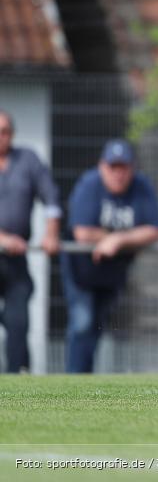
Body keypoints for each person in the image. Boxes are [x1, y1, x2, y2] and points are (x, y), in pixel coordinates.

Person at [62, 139, 158, 373]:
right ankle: (74, 378)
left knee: (96, 326)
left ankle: (84, 377)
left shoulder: (142, 186)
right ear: (101, 166)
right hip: (81, 270)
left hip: (111, 272)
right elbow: (82, 232)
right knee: (82, 322)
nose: (118, 174)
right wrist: (117, 237)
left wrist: (117, 240)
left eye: (123, 167)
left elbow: (154, 229)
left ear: (133, 168)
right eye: (112, 167)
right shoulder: (89, 184)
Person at [0, 110, 61, 373]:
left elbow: (52, 201)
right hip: (8, 247)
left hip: (15, 260)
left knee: (18, 322)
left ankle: (17, 377)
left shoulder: (27, 160)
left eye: (4, 131)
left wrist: (51, 234)